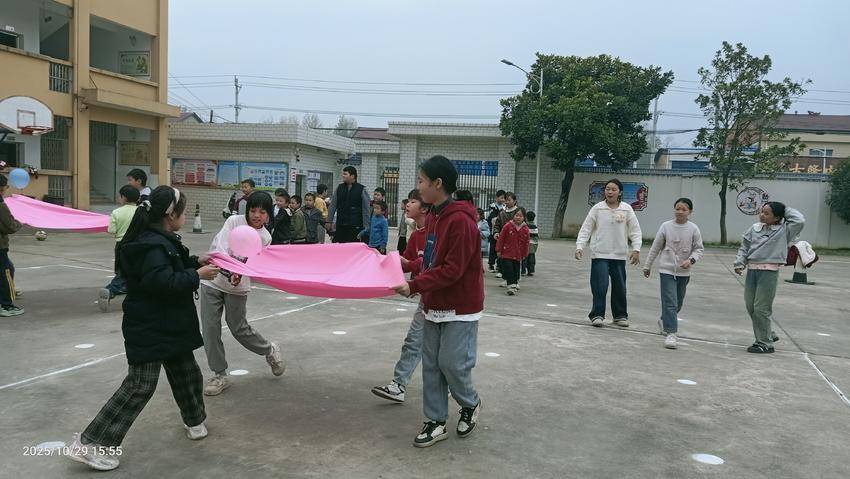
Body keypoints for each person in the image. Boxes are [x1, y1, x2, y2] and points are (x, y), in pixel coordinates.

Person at [67, 186, 219, 471]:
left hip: (170, 324)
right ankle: (92, 443)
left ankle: (195, 420)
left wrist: (194, 261)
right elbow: (162, 282)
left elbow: (168, 267)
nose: (185, 216)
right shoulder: (152, 245)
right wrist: (196, 275)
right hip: (150, 325)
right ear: (170, 215)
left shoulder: (160, 241)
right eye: (183, 212)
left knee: (187, 375)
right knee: (139, 386)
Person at [393, 155, 483, 448]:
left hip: (460, 307)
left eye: (421, 181)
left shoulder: (460, 221)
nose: (418, 188)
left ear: (438, 183)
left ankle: (470, 403)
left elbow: (453, 270)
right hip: (434, 303)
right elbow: (431, 261)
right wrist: (407, 266)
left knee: (452, 364)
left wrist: (414, 286)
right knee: (431, 365)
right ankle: (435, 421)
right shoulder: (434, 217)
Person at [201, 191, 285, 397]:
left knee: (238, 327)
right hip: (212, 280)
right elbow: (221, 247)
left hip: (237, 287)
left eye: (262, 212)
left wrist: (239, 273)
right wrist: (228, 269)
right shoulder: (233, 221)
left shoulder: (265, 237)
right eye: (253, 210)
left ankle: (269, 349)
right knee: (210, 328)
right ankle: (219, 374)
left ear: (268, 215)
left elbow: (252, 262)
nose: (256, 215)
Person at [371, 189, 431, 403]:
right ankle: (398, 384)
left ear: (424, 207)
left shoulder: (438, 232)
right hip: (427, 298)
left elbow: (430, 266)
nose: (407, 204)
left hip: (444, 299)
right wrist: (381, 261)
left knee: (444, 349)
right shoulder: (415, 235)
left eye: (413, 201)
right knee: (414, 341)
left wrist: (412, 268)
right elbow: (407, 262)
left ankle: (451, 384)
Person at [734, 201, 805, 354]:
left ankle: (765, 343)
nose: (762, 215)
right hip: (752, 271)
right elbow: (744, 246)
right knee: (750, 306)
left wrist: (785, 208)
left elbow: (800, 220)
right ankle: (768, 334)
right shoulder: (754, 228)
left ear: (777, 217)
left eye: (767, 213)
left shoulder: (784, 230)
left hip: (769, 273)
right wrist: (740, 262)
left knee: (761, 308)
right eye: (761, 211)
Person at [575, 179, 642, 328]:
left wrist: (636, 249)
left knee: (620, 287)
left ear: (620, 192)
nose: (609, 192)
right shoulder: (597, 209)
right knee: (600, 286)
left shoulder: (626, 209)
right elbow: (586, 228)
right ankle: (597, 314)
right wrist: (580, 246)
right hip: (600, 254)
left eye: (613, 189)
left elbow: (635, 230)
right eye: (607, 189)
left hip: (619, 255)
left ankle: (620, 316)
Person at [643, 198, 705, 349]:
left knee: (678, 302)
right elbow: (655, 247)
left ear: (690, 212)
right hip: (667, 270)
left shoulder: (693, 228)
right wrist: (647, 265)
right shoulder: (665, 226)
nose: (680, 212)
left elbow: (699, 249)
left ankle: (664, 320)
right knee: (670, 301)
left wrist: (690, 261)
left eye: (684, 209)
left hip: (684, 272)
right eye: (677, 208)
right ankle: (671, 334)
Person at [98, 185, 140, 312]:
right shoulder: (141, 211)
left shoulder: (116, 212)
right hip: (138, 244)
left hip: (121, 245)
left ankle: (110, 290)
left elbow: (111, 230)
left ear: (124, 197)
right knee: (136, 270)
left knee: (122, 271)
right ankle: (125, 289)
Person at [327, 166, 370, 244]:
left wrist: (366, 226)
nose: (343, 176)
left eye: (345, 174)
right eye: (343, 174)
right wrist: (329, 221)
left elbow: (366, 210)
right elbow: (332, 206)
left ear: (352, 176)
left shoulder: (362, 189)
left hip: (355, 225)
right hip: (341, 224)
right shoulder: (339, 188)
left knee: (353, 247)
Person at [0, 174, 23, 317]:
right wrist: (21, 222)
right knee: (5, 272)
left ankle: (8, 293)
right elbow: (10, 226)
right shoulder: (1, 205)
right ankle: (6, 305)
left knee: (9, 268)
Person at [496, 208, 530, 295]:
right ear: (513, 216)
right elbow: (501, 239)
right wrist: (499, 250)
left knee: (516, 270)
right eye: (516, 215)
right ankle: (511, 286)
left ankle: (515, 283)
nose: (518, 217)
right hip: (507, 253)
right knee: (509, 269)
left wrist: (525, 253)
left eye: (520, 216)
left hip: (518, 254)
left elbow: (526, 242)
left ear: (524, 217)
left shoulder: (525, 229)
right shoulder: (507, 226)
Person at [492, 192, 519, 279]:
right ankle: (504, 275)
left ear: (514, 201)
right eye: (505, 200)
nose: (506, 202)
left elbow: (523, 225)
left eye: (509, 200)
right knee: (503, 258)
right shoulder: (502, 213)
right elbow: (497, 225)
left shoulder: (518, 213)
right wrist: (496, 232)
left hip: (515, 240)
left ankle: (515, 279)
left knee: (514, 261)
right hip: (504, 240)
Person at [486, 190, 506, 272]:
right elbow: (490, 219)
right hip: (493, 231)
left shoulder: (505, 208)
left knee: (500, 248)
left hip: (502, 231)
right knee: (493, 248)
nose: (503, 200)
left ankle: (499, 265)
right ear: (496, 198)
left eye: (504, 198)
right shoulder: (492, 207)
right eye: (501, 198)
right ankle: (491, 264)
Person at [522, 210, 539, 277]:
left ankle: (523, 271)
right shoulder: (535, 227)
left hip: (526, 244)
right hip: (533, 244)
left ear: (526, 217)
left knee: (524, 258)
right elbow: (536, 237)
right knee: (531, 258)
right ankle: (531, 271)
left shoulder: (525, 226)